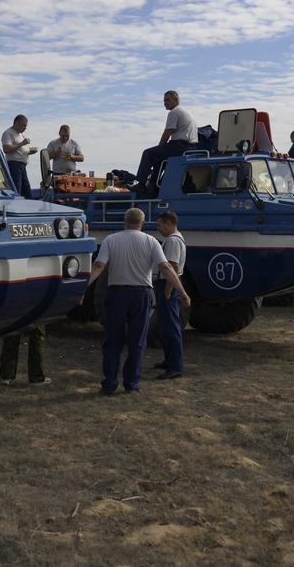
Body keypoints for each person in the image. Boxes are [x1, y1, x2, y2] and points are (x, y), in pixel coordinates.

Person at [81, 208, 191, 395]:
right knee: (137, 342)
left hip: (116, 294)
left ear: (125, 221)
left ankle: (109, 383)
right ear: (142, 222)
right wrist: (182, 291)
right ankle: (131, 384)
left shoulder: (111, 240)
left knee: (112, 341)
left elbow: (99, 265)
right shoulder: (151, 242)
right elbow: (165, 267)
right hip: (141, 295)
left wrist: (83, 289)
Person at [134, 90, 197, 194]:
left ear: (176, 100)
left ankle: (141, 184)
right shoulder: (186, 112)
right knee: (158, 158)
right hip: (191, 147)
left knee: (148, 153)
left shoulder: (174, 112)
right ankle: (152, 187)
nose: (165, 103)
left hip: (179, 146)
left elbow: (167, 133)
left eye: (167, 100)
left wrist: (159, 148)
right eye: (164, 101)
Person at [151, 211, 187, 380]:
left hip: (167, 286)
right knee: (166, 326)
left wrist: (167, 290)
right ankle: (169, 360)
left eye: (159, 225)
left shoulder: (172, 241)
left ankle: (175, 366)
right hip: (166, 285)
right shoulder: (174, 239)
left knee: (171, 326)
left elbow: (171, 266)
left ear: (168, 223)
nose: (158, 228)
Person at [1, 114, 37, 198]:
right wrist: (22, 143)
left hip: (22, 166)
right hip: (14, 165)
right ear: (16, 123)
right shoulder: (8, 133)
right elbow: (6, 149)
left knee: (27, 192)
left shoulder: (20, 135)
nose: (25, 128)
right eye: (23, 125)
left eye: (26, 126)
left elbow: (20, 150)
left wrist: (29, 151)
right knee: (17, 191)